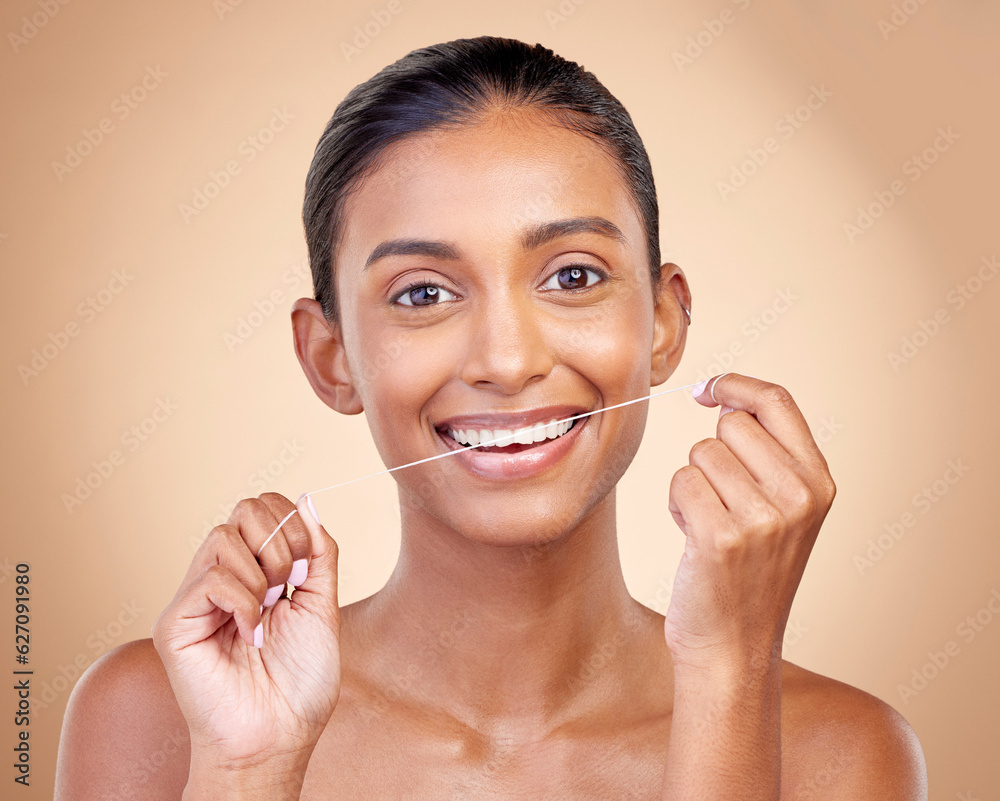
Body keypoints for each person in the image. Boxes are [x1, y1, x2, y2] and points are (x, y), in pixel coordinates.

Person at [55, 35, 927, 799]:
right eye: (424, 293)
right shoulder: (160, 717)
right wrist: (246, 776)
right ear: (331, 356)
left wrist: (731, 676)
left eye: (573, 276)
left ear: (663, 325)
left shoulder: (841, 755)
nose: (508, 362)